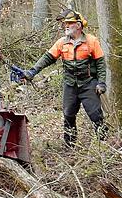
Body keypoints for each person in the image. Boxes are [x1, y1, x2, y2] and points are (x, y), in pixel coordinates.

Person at [20, 9, 108, 147]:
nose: (66, 26)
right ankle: (70, 145)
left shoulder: (91, 41)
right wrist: (32, 71)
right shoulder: (61, 42)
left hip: (88, 83)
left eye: (70, 23)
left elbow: (101, 64)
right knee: (68, 115)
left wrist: (101, 83)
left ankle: (103, 143)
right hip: (70, 84)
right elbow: (47, 58)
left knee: (95, 115)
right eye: (65, 23)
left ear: (78, 25)